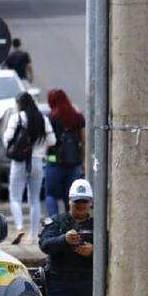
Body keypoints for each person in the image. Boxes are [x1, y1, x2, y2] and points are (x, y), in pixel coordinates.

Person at [3, 92, 55, 243]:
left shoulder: (16, 118)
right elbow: (52, 140)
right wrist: (39, 147)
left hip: (19, 161)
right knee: (34, 199)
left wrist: (15, 147)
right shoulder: (42, 119)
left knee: (15, 197)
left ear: (20, 104)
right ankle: (33, 235)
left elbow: (7, 139)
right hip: (38, 162)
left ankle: (19, 227)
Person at [45, 89, 85, 217]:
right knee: (71, 197)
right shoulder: (78, 117)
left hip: (53, 161)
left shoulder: (50, 118)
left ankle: (54, 224)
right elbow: (83, 141)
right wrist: (82, 161)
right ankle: (71, 225)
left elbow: (46, 141)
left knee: (51, 195)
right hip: (73, 163)